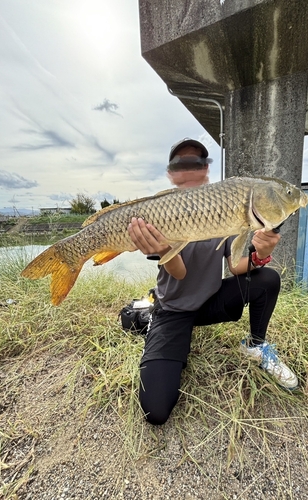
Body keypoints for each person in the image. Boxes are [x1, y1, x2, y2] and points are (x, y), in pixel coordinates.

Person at [127, 138, 298, 426]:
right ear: (171, 173)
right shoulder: (158, 213)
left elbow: (235, 266)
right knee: (155, 409)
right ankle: (146, 319)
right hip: (174, 311)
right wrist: (165, 249)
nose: (190, 170)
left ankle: (256, 345)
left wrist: (260, 254)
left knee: (267, 279)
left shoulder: (226, 205)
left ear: (207, 170)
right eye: (181, 165)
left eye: (197, 163)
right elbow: (179, 273)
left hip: (210, 301)